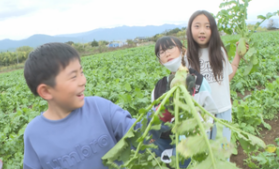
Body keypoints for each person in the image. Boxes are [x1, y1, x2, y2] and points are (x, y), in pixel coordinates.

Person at [23, 42, 163, 169]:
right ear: (46, 91)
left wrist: (163, 110)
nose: (83, 81)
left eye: (81, 72)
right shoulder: (34, 134)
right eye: (73, 77)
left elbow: (141, 133)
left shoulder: (99, 108)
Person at [150, 36, 218, 168]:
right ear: (160, 60)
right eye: (161, 52)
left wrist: (204, 129)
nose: (167, 53)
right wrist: (152, 132)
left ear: (183, 50)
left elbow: (209, 110)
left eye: (170, 47)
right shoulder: (159, 86)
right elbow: (154, 115)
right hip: (164, 140)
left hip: (191, 139)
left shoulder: (198, 80)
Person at [185, 10, 248, 144]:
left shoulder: (219, 52)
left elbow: (226, 78)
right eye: (197, 26)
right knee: (203, 154)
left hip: (222, 110)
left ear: (213, 30)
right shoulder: (187, 57)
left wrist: (238, 55)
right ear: (190, 29)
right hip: (200, 113)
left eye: (207, 26)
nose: (202, 31)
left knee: (222, 154)